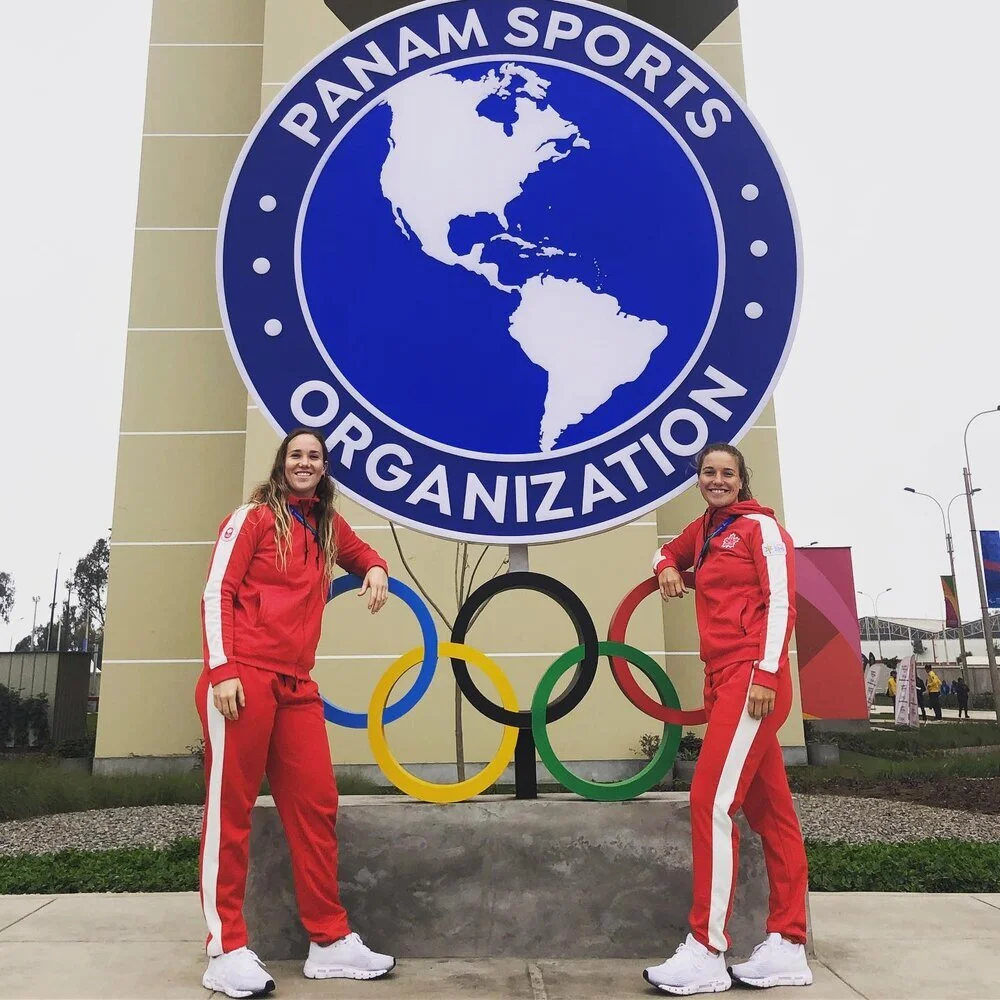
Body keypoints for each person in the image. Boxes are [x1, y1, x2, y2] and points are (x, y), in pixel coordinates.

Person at [196, 428, 396, 998]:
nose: (305, 462)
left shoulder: (327, 525)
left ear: (325, 467)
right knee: (228, 813)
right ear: (281, 463)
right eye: (296, 454)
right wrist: (223, 669)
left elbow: (363, 555)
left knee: (316, 807)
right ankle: (224, 947)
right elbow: (217, 593)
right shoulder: (254, 517)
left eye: (314, 456)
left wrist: (376, 568)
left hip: (296, 684)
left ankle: (329, 942)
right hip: (243, 678)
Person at [643, 443, 812, 995]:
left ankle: (707, 949)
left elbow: (783, 600)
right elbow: (664, 551)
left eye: (728, 473)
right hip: (720, 680)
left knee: (710, 802)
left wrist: (767, 673)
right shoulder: (707, 529)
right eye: (709, 473)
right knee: (772, 814)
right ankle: (788, 945)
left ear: (743, 480)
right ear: (700, 480)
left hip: (752, 679)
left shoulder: (760, 529)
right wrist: (668, 565)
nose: (718, 480)